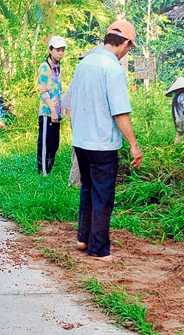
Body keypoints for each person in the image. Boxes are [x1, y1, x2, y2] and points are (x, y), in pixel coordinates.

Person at [70, 20, 143, 261]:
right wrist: (133, 144)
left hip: (81, 140)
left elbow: (69, 101)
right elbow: (120, 112)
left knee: (88, 188)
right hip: (102, 143)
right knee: (103, 195)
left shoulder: (85, 63)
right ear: (124, 43)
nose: (126, 53)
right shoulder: (112, 69)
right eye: (128, 48)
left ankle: (84, 238)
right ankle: (99, 249)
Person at [37, 35, 67, 175]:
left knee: (54, 144)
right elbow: (43, 92)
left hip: (57, 111)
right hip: (47, 112)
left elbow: (59, 90)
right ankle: (43, 173)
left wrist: (63, 108)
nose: (60, 53)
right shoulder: (45, 67)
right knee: (45, 144)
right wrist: (53, 111)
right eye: (57, 50)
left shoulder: (58, 66)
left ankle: (49, 170)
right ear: (50, 50)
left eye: (62, 50)